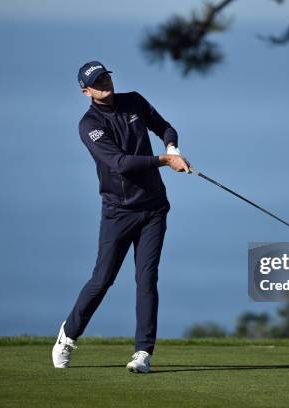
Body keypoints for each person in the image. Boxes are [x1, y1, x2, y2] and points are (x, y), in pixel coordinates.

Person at [51, 61, 191, 373]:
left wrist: (173, 146)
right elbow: (120, 163)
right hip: (119, 211)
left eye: (105, 77)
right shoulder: (89, 125)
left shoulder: (134, 101)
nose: (104, 83)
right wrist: (166, 160)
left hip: (154, 207)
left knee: (147, 278)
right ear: (85, 91)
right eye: (96, 82)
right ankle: (68, 336)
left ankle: (143, 353)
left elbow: (165, 126)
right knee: (103, 279)